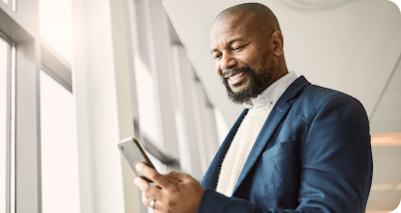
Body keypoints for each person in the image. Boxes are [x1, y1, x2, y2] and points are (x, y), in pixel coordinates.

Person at [133, 2, 373, 213]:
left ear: (276, 44)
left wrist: (203, 205)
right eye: (217, 55)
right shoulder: (246, 120)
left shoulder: (332, 110)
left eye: (236, 47)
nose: (224, 64)